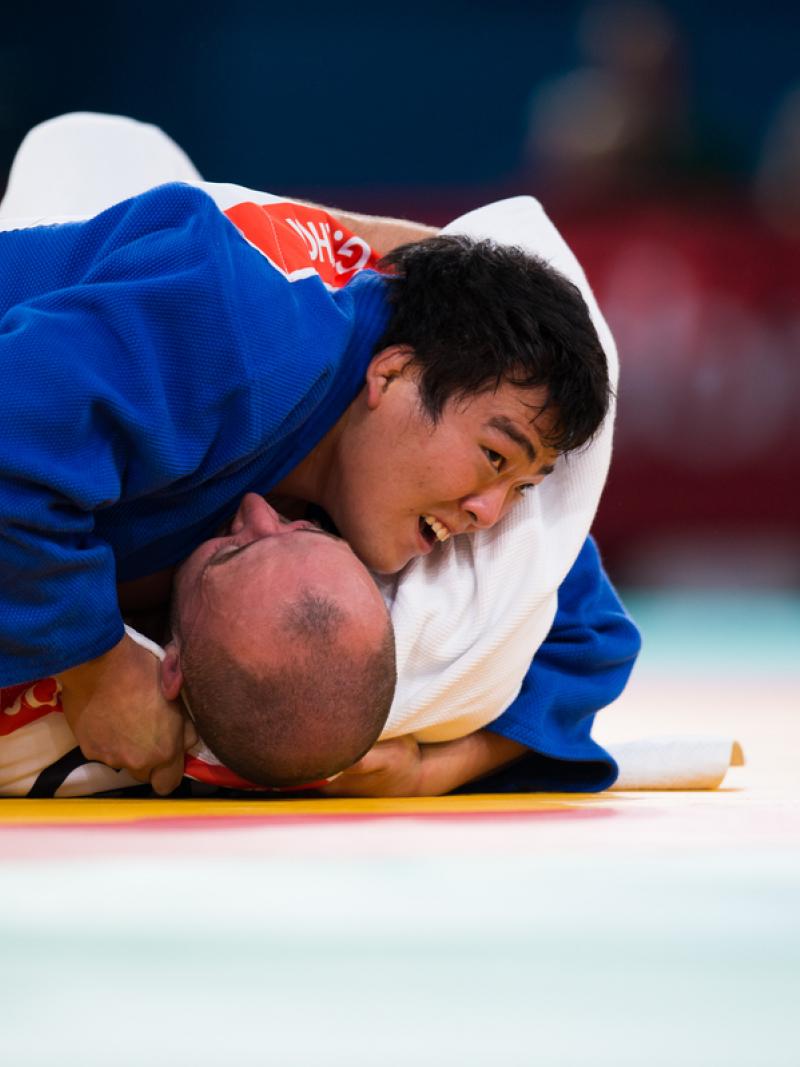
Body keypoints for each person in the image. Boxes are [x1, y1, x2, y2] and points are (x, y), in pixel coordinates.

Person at [0, 114, 640, 798]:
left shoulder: (408, 476)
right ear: (391, 374)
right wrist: (97, 666)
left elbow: (589, 639)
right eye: (493, 456)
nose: (491, 511)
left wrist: (430, 769)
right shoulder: (238, 330)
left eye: (523, 486)